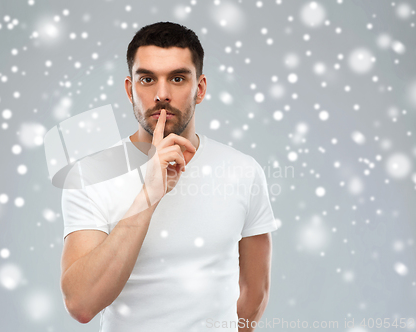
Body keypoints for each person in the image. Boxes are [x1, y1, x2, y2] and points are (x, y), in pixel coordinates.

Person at [60, 21, 278, 332]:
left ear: (199, 88)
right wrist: (149, 195)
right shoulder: (90, 175)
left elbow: (255, 294)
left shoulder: (243, 171)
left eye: (177, 78)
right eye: (147, 79)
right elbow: (81, 303)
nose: (162, 94)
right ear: (129, 89)